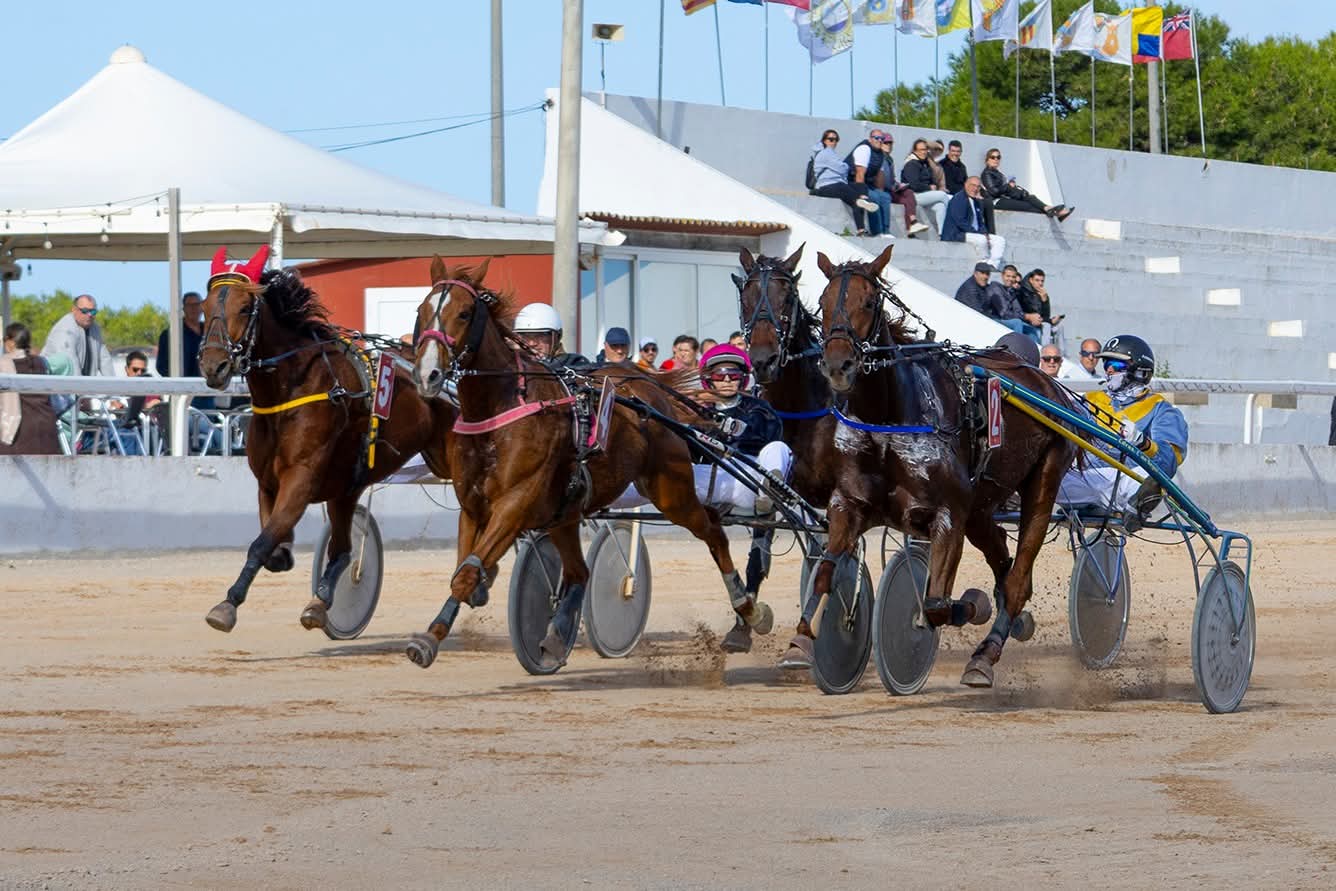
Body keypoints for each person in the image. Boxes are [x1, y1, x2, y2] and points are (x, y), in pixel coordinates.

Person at [609, 344, 793, 653]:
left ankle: (769, 496)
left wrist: (720, 424)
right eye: (719, 374)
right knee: (628, 483)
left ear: (744, 378)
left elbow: (765, 433)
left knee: (778, 450)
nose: (726, 380)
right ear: (708, 378)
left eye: (733, 374)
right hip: (697, 480)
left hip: (742, 480)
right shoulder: (691, 409)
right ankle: (589, 498)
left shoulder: (757, 408)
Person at [1059, 335, 1188, 518]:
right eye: (1106, 364)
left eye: (1117, 365)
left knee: (1151, 479)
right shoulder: (1089, 401)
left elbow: (1170, 461)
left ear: (1140, 371)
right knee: (1049, 474)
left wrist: (1143, 443)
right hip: (1087, 479)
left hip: (1127, 482)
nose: (1109, 370)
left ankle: (1136, 505)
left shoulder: (1161, 409)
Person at [1, 323, 63, 456]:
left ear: (10, 342)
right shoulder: (41, 363)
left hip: (19, 433)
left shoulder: (3, 364)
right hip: (48, 430)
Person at [809, 129, 879, 235]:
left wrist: (841, 167)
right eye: (830, 139)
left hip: (838, 184)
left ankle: (861, 225)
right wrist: (845, 166)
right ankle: (862, 202)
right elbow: (842, 169)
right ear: (824, 140)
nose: (833, 142)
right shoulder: (824, 153)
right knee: (847, 191)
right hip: (825, 186)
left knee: (861, 187)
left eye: (836, 140)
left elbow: (840, 168)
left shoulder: (831, 154)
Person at [156, 290, 215, 409]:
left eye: (197, 305)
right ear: (183, 308)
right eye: (190, 305)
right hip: (183, 393)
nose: (194, 309)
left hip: (208, 393)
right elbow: (161, 366)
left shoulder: (211, 332)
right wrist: (178, 382)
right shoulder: (171, 334)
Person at [980, 148, 1073, 221]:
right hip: (996, 201)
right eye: (993, 157)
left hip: (1004, 199)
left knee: (1030, 197)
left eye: (998, 157)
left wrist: (1010, 187)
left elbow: (1003, 189)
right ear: (987, 160)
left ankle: (1049, 209)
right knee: (1028, 206)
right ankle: (1055, 213)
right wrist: (1008, 186)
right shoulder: (987, 173)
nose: (996, 159)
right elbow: (994, 191)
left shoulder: (998, 173)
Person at [870, 132, 930, 237]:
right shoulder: (878, 158)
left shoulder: (890, 160)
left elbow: (891, 179)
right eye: (886, 143)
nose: (888, 145)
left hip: (890, 189)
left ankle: (912, 224)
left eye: (890, 143)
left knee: (908, 193)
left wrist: (898, 185)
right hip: (881, 190)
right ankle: (885, 230)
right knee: (887, 197)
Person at [41, 293, 115, 378]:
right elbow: (71, 364)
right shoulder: (65, 329)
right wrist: (80, 388)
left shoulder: (95, 329)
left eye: (93, 311)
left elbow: (105, 360)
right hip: (55, 386)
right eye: (85, 311)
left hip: (80, 386)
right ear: (74, 310)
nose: (89, 315)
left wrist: (115, 387)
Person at [942, 177, 1006, 270]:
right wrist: (979, 234)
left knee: (999, 240)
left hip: (974, 233)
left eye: (978, 187)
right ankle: (983, 263)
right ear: (965, 185)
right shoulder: (958, 199)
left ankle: (992, 265)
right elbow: (960, 222)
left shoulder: (977, 202)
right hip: (957, 234)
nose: (975, 189)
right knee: (981, 240)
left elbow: (980, 222)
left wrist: (985, 232)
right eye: (973, 185)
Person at [955, 263, 1032, 337]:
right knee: (1017, 323)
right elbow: (978, 312)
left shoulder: (985, 286)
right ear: (975, 273)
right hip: (972, 322)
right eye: (982, 273)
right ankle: (1017, 348)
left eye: (987, 274)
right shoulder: (970, 288)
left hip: (985, 319)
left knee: (1032, 329)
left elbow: (1017, 309)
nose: (985, 276)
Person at [511, 302, 589, 369]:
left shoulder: (577, 365)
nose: (532, 343)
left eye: (540, 335)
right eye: (526, 336)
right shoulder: (513, 370)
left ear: (556, 337)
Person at [900, 138, 952, 236]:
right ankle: (953, 224)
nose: (924, 152)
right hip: (914, 195)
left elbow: (931, 179)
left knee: (940, 207)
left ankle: (943, 233)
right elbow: (914, 185)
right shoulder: (911, 163)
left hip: (925, 195)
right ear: (914, 151)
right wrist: (929, 187)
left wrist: (932, 186)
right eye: (921, 150)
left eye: (925, 149)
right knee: (943, 196)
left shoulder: (925, 163)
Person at [1019, 268, 1065, 347]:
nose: (1040, 283)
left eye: (1042, 281)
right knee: (1047, 326)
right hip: (1028, 321)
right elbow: (1032, 311)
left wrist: (1045, 300)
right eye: (1037, 280)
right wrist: (1050, 321)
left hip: (1040, 321)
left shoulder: (1041, 293)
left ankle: (1062, 355)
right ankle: (1044, 353)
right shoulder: (1023, 291)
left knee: (1060, 327)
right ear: (1031, 280)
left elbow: (1046, 315)